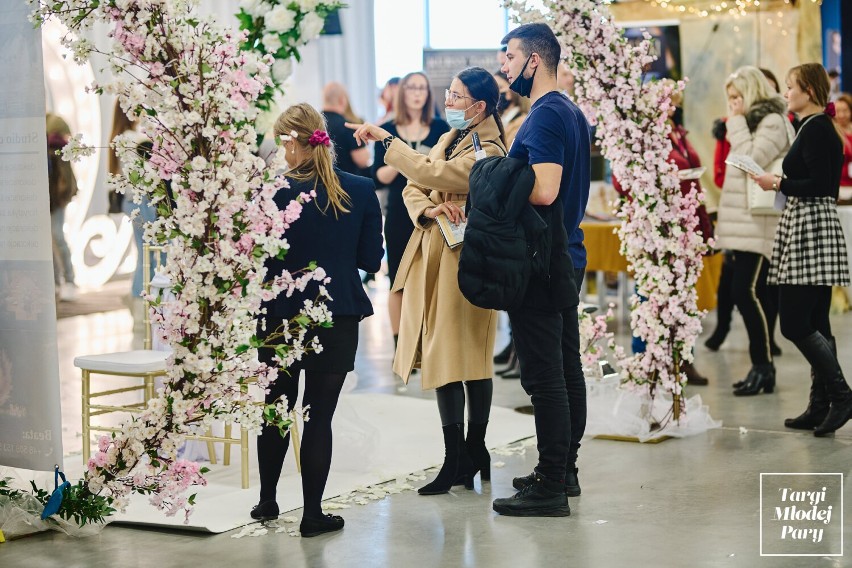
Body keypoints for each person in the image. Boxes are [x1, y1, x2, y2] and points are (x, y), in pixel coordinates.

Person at [349, 66, 507, 496]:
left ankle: (471, 450)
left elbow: (436, 175)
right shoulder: (449, 137)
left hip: (467, 258)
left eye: (457, 98)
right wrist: (431, 209)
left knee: (466, 353)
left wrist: (388, 142)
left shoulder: (488, 145)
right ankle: (460, 454)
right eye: (449, 95)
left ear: (478, 106)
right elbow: (413, 183)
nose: (449, 103)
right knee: (442, 351)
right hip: (435, 247)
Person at [251, 103, 383, 536]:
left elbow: (254, 255)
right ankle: (312, 514)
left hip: (279, 311)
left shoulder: (265, 190)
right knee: (318, 417)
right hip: (337, 311)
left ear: (288, 142)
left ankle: (267, 500)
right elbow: (370, 260)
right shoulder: (360, 191)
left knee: (276, 408)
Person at [491, 22, 590, 517]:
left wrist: (495, 175)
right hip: (563, 253)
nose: (503, 66)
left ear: (534, 59)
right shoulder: (567, 110)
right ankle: (562, 469)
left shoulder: (547, 114)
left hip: (542, 259)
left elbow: (545, 189)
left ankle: (551, 483)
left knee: (545, 375)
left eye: (509, 56)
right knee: (566, 369)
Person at [752, 64, 851, 436]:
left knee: (794, 322)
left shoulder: (818, 129)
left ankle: (841, 395)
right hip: (811, 227)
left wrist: (776, 181)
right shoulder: (816, 127)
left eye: (791, 86)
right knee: (819, 322)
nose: (787, 92)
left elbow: (822, 185)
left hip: (811, 229)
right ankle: (822, 402)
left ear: (809, 90)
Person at [612, 81, 712, 385]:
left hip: (683, 224)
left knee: (683, 295)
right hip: (653, 225)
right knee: (650, 294)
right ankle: (645, 360)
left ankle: (684, 358)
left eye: (674, 101)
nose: (671, 107)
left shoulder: (678, 133)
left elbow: (693, 176)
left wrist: (703, 226)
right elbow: (621, 181)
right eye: (666, 101)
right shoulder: (640, 134)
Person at [714, 66, 793, 396]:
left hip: (756, 220)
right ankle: (762, 367)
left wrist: (735, 123)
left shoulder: (772, 122)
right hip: (741, 220)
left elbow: (749, 161)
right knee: (742, 291)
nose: (732, 104)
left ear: (752, 92)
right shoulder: (750, 122)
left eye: (737, 97)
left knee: (745, 292)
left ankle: (763, 366)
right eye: (729, 99)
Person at [371, 72, 449, 352]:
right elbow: (377, 175)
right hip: (399, 214)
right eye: (412, 88)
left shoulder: (441, 127)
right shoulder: (387, 129)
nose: (417, 93)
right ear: (402, 93)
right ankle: (400, 344)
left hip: (433, 210)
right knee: (398, 280)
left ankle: (429, 342)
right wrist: (404, 159)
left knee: (433, 279)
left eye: (422, 88)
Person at [46, 113, 78, 302]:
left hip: (56, 201)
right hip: (50, 200)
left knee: (57, 237)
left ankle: (68, 280)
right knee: (51, 241)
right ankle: (58, 281)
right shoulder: (51, 147)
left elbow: (66, 180)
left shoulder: (57, 150)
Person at [321, 82, 371, 177]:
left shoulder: (314, 123)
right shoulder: (348, 125)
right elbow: (362, 161)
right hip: (346, 182)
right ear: (342, 100)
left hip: (321, 182)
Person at [834, 92, 852, 203]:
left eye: (845, 111)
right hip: (839, 187)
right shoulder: (832, 132)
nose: (841, 115)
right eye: (838, 111)